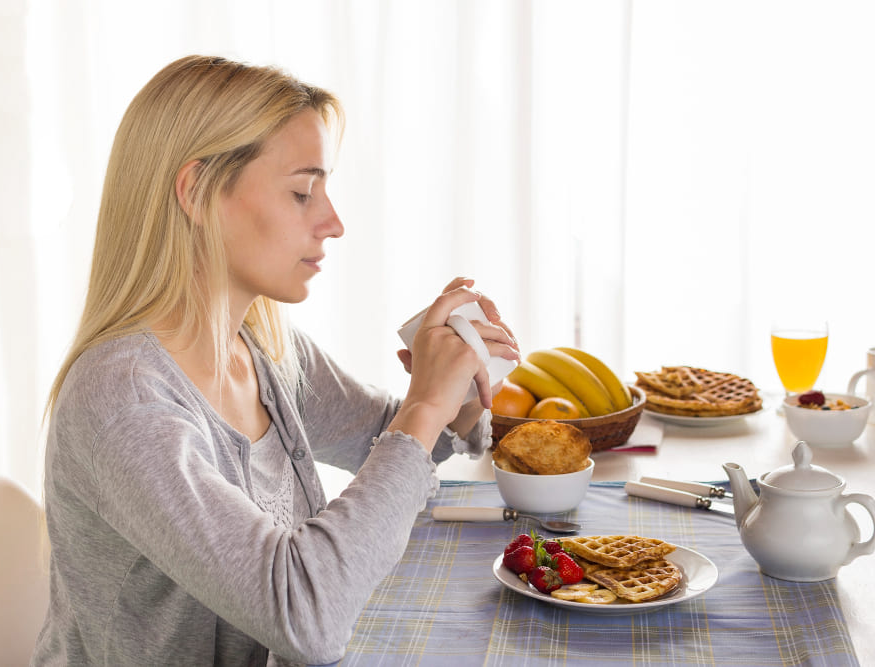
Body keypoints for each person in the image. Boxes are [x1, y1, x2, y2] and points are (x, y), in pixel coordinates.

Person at [31, 55, 519, 666]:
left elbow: (394, 447)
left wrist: (459, 397)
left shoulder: (262, 346)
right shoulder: (123, 398)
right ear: (197, 189)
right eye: (300, 192)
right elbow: (305, 616)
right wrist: (425, 406)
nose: (333, 223)